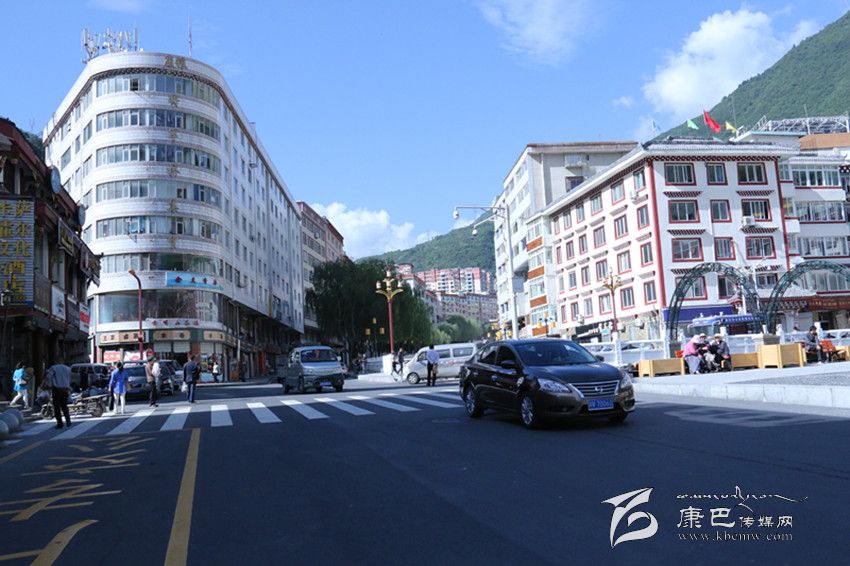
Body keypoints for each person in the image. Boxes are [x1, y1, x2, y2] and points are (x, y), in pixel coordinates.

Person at [46, 358, 72, 429]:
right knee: (64, 406)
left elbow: (48, 377)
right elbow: (70, 378)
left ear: (56, 361)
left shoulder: (53, 368)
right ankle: (68, 421)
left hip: (57, 389)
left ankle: (60, 423)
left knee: (56, 407)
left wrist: (49, 385)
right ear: (63, 361)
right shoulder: (68, 368)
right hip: (65, 389)